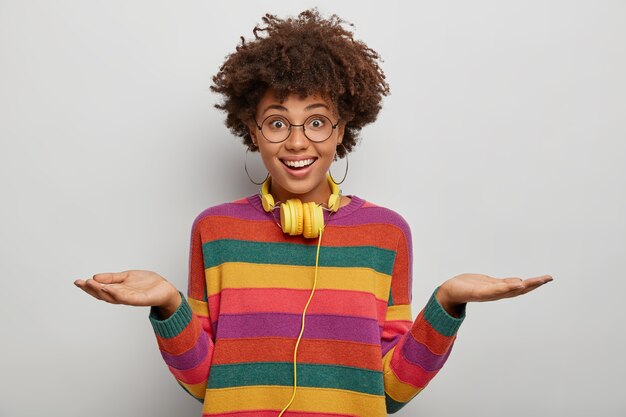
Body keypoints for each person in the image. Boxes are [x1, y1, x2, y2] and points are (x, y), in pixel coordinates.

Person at [74, 9, 553, 416]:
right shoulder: (215, 230)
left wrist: (447, 303)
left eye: (318, 121)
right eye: (277, 122)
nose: (298, 141)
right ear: (253, 131)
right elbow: (205, 384)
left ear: (343, 129)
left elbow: (389, 392)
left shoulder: (386, 234)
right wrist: (169, 306)